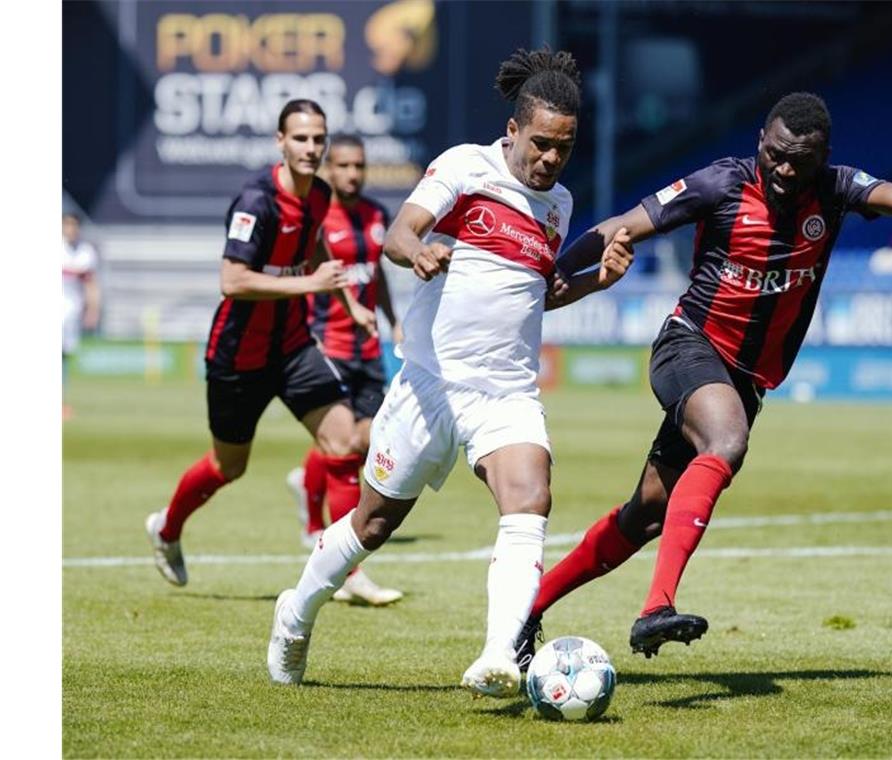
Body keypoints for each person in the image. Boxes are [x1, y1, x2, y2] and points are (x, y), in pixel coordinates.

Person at [516, 91, 892, 666]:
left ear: (823, 157)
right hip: (688, 345)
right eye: (775, 155)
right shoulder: (720, 184)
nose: (786, 170)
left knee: (645, 512)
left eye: (801, 160)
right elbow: (622, 224)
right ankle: (655, 608)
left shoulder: (838, 189)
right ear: (760, 144)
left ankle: (526, 611)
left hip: (746, 380)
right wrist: (553, 273)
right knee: (727, 441)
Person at [266, 48, 634, 697]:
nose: (550, 160)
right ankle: (296, 611)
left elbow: (537, 292)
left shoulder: (560, 205)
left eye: (564, 149)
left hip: (506, 391)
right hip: (428, 384)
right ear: (514, 131)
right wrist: (422, 252)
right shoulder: (467, 166)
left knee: (531, 497)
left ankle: (498, 655)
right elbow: (399, 234)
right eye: (541, 144)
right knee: (373, 524)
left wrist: (591, 283)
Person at [145, 99, 378, 588]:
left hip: (294, 347)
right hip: (238, 357)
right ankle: (166, 527)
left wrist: (351, 303)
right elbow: (232, 280)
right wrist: (311, 285)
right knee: (228, 466)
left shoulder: (319, 195)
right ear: (280, 141)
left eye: (318, 139)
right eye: (300, 138)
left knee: (341, 444)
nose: (310, 148)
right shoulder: (256, 202)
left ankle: (348, 572)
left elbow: (316, 246)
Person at [282, 132, 404, 607]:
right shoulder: (315, 217)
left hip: (369, 349)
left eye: (360, 166)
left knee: (362, 440)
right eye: (345, 166)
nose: (353, 174)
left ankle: (308, 486)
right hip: (326, 345)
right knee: (346, 448)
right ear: (329, 170)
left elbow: (377, 276)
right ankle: (348, 568)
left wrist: (393, 320)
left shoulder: (376, 215)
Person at [62, 212, 101, 420]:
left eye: (73, 226)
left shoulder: (86, 253)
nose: (70, 229)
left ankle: (61, 401)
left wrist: (93, 309)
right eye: (67, 225)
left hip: (72, 311)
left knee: (64, 356)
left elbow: (91, 284)